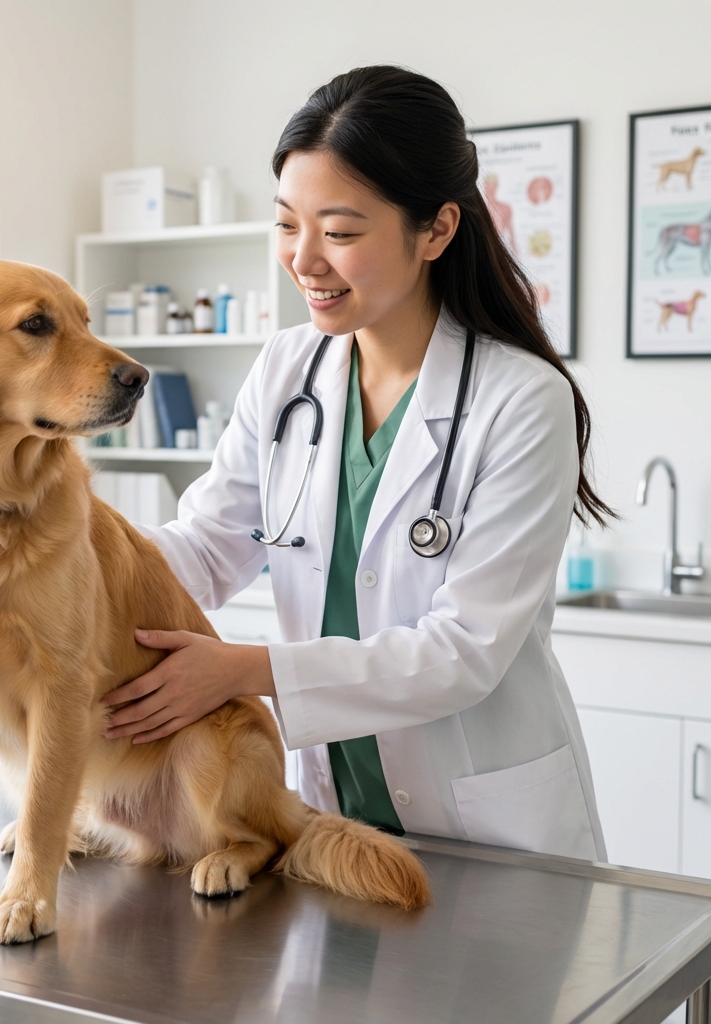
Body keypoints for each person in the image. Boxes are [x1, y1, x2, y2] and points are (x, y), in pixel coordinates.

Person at [102, 65, 612, 860]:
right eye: (286, 225)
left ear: (436, 231)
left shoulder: (521, 400)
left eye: (339, 232)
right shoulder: (286, 372)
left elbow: (464, 651)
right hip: (329, 816)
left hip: (489, 831)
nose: (304, 260)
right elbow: (205, 546)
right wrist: (76, 577)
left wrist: (241, 671)